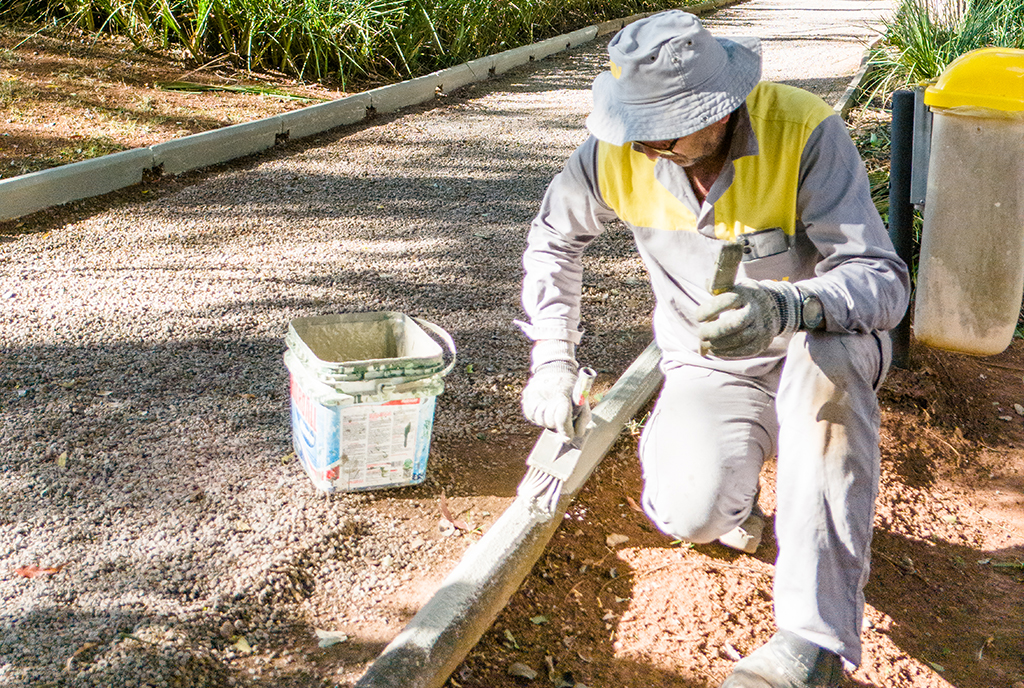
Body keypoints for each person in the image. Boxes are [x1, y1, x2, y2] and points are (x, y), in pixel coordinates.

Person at [516, 10, 910, 688]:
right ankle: (747, 486)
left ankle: (811, 646)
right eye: (635, 131)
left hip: (813, 349)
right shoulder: (622, 152)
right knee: (690, 511)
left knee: (829, 367)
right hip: (710, 366)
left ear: (723, 108)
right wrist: (552, 356)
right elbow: (553, 243)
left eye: (665, 129)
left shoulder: (802, 131)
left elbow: (883, 280)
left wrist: (790, 304)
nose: (646, 148)